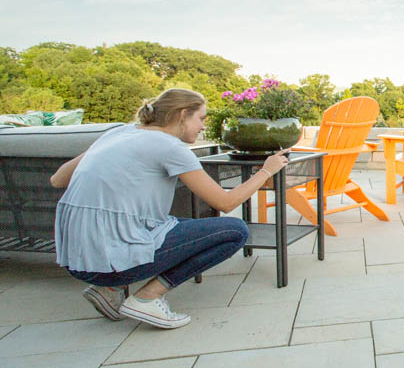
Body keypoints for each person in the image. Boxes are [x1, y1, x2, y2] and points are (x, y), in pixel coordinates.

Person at [51, 88, 288, 329]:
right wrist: (267, 170)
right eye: (201, 118)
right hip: (108, 264)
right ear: (183, 114)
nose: (203, 127)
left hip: (75, 259)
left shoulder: (119, 132)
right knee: (235, 231)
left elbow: (58, 179)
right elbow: (225, 203)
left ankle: (110, 290)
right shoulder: (169, 147)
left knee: (171, 222)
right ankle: (147, 297)